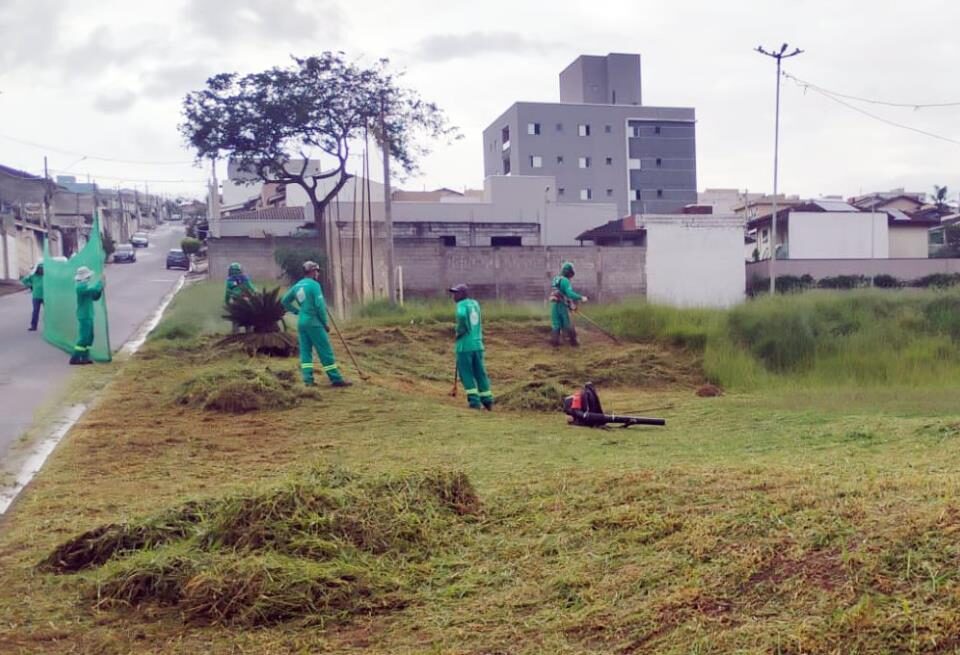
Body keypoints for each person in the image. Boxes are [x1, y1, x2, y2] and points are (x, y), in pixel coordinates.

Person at [281, 261, 350, 388]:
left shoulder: (297, 285)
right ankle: (336, 379)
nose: (318, 273)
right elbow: (320, 307)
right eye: (317, 271)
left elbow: (284, 301)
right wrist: (325, 323)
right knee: (325, 351)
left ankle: (308, 380)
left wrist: (297, 311)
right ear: (313, 271)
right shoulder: (314, 285)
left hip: (302, 322)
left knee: (306, 351)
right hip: (314, 323)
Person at [449, 284, 493, 410]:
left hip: (465, 346)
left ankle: (474, 401)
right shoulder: (475, 304)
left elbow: (462, 316)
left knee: (466, 373)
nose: (454, 296)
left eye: (456, 293)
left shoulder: (461, 305)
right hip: (478, 344)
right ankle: (487, 399)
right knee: (480, 372)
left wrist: (459, 331)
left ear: (462, 294)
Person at [70, 266, 105, 366]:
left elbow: (94, 296)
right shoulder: (80, 287)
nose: (89, 278)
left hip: (89, 314)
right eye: (88, 276)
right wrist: (100, 283)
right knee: (84, 337)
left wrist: (100, 289)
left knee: (90, 337)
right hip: (84, 316)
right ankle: (75, 357)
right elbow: (92, 290)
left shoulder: (86, 286)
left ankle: (85, 357)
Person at [549, 261, 588, 347]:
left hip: (555, 305)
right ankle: (574, 343)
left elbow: (560, 293)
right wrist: (581, 298)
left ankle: (555, 342)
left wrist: (572, 305)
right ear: (569, 272)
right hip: (563, 306)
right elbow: (569, 294)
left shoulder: (556, 279)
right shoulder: (565, 281)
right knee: (568, 323)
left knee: (556, 324)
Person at [224, 262, 256, 333]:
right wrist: (256, 294)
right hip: (247, 300)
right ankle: (249, 331)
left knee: (235, 319)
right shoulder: (245, 279)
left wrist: (227, 302)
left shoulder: (229, 281)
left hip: (236, 301)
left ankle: (235, 332)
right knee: (249, 318)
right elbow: (252, 288)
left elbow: (227, 293)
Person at [20, 262, 44, 332]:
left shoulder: (46, 276)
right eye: (40, 269)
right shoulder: (33, 276)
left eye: (42, 269)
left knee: (49, 312)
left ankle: (51, 326)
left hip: (46, 296)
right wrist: (30, 285)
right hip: (36, 296)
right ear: (37, 269)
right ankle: (33, 326)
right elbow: (24, 280)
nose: (41, 270)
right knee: (35, 311)